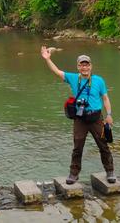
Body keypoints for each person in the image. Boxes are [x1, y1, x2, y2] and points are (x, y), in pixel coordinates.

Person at [41, 46, 115, 184]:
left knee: (103, 145)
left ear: (91, 66)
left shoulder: (99, 80)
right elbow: (57, 72)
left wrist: (109, 114)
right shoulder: (74, 78)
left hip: (96, 118)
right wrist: (47, 59)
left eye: (87, 65)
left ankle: (110, 171)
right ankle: (74, 174)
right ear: (78, 67)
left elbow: (105, 98)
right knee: (77, 147)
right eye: (82, 65)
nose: (84, 68)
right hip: (80, 119)